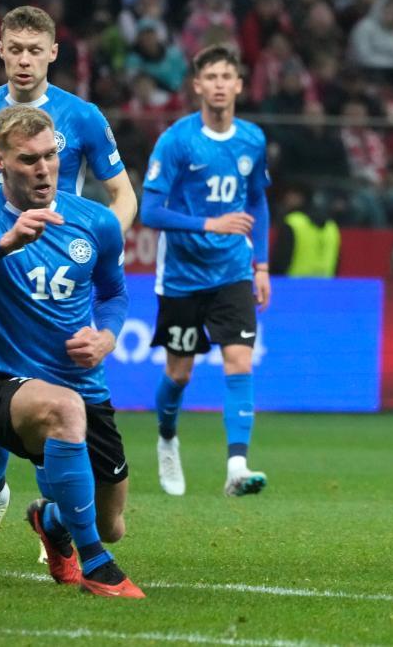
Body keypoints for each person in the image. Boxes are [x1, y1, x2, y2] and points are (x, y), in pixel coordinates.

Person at [0, 6, 138, 563]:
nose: (24, 60)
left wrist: (91, 246)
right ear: (0, 50)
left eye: (35, 50)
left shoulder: (83, 117)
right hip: (0, 274)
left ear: (53, 53)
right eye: (15, 49)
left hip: (60, 281)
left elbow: (123, 197)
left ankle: (57, 521)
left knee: (66, 418)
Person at [140, 46, 272, 498]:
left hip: (233, 269)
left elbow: (257, 201)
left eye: (226, 76)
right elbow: (151, 211)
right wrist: (209, 224)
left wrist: (262, 265)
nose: (218, 84)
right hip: (182, 275)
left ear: (239, 85)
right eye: (210, 76)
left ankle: (237, 467)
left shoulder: (252, 139)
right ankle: (166, 438)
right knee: (179, 375)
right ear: (197, 85)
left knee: (239, 360)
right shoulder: (177, 141)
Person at [270, 183, 340, 278]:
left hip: (292, 287)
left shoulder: (293, 222)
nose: (286, 200)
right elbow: (337, 261)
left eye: (289, 195)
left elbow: (281, 259)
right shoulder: (331, 225)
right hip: (324, 287)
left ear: (299, 197)